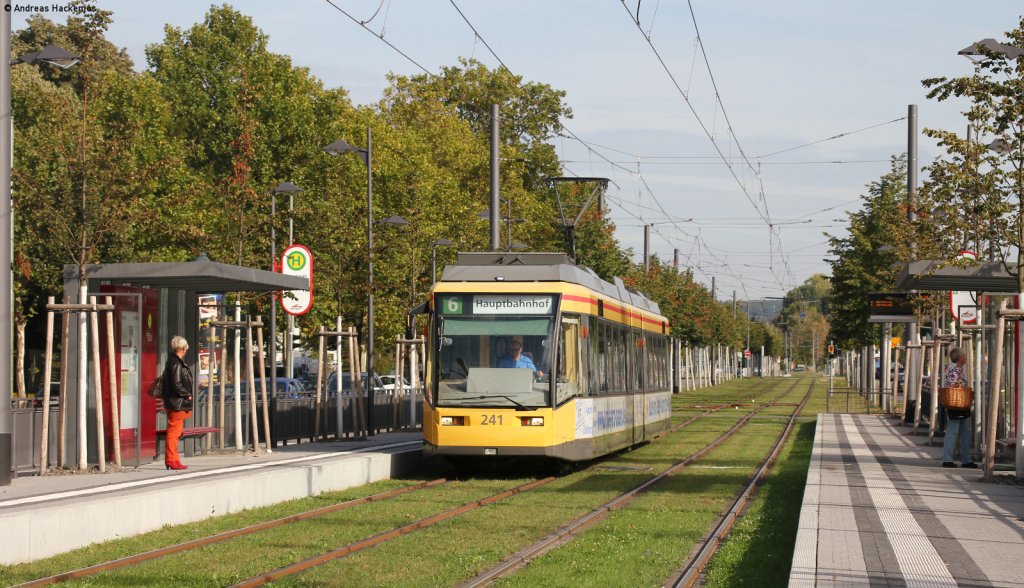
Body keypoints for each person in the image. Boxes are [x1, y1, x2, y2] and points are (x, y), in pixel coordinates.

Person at [162, 335, 194, 471]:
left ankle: (174, 459)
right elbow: (176, 384)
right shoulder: (176, 363)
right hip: (177, 403)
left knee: (176, 432)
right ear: (181, 348)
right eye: (186, 348)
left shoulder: (173, 362)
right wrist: (186, 394)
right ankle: (171, 459)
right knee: (173, 433)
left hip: (175, 402)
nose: (186, 350)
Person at [941, 347, 976, 469]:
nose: (965, 358)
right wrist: (961, 386)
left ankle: (966, 459)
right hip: (956, 403)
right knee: (953, 431)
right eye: (964, 356)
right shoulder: (954, 369)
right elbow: (951, 384)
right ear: (960, 358)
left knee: (964, 432)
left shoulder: (957, 368)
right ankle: (948, 459)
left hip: (960, 403)